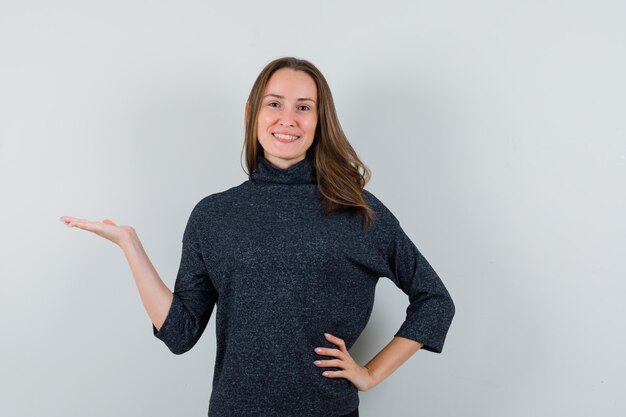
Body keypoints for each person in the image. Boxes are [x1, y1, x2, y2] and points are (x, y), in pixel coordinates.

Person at [60, 56, 455, 417]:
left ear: (319, 122)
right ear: (252, 113)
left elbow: (435, 301)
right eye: (274, 104)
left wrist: (370, 373)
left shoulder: (357, 211)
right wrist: (131, 245)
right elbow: (179, 333)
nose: (288, 119)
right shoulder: (214, 215)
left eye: (303, 107)